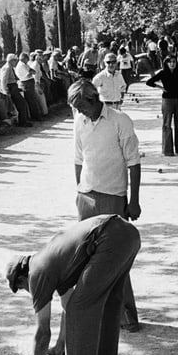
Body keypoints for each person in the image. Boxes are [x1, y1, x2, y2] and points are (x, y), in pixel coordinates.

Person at [6, 214, 141, 355]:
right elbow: (67, 307)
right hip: (127, 234)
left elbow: (43, 332)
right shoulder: (51, 262)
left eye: (21, 288)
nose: (28, 292)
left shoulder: (36, 273)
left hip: (108, 238)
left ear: (22, 278)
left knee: (82, 309)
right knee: (108, 303)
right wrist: (58, 349)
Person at [67, 77, 141, 333]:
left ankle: (127, 317)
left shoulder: (120, 120)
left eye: (81, 106)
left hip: (113, 197)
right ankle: (96, 313)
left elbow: (134, 162)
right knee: (86, 259)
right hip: (86, 197)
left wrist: (134, 200)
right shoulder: (79, 122)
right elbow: (78, 158)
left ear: (94, 99)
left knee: (116, 259)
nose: (79, 112)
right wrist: (79, 189)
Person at [145, 52, 178, 156]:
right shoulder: (163, 73)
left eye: (174, 62)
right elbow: (149, 82)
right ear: (166, 63)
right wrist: (161, 88)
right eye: (170, 62)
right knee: (167, 124)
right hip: (167, 100)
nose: (172, 64)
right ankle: (168, 150)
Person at [1, 54, 32, 126]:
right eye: (15, 60)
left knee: (22, 104)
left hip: (14, 87)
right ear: (11, 60)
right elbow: (3, 80)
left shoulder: (10, 67)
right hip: (11, 88)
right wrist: (6, 90)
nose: (16, 62)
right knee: (22, 104)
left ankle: (23, 121)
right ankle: (22, 122)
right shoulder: (7, 68)